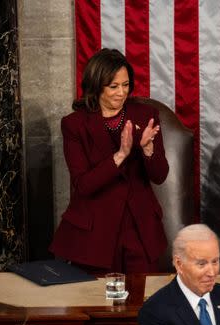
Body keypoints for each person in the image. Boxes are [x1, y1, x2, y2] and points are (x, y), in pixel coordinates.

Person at [49, 48, 169, 274]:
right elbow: (83, 185)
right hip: (94, 235)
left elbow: (160, 176)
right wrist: (121, 155)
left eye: (125, 85)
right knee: (96, 303)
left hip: (139, 229)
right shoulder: (74, 125)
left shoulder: (145, 115)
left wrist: (148, 148)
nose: (121, 93)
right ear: (96, 86)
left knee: (142, 303)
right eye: (113, 86)